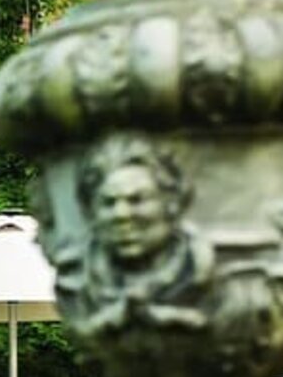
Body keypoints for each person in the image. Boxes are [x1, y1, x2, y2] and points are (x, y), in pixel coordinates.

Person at [72, 134, 214, 338]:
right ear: (91, 213)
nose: (121, 215)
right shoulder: (74, 284)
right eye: (108, 203)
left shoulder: (205, 271)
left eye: (137, 200)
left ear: (172, 203)